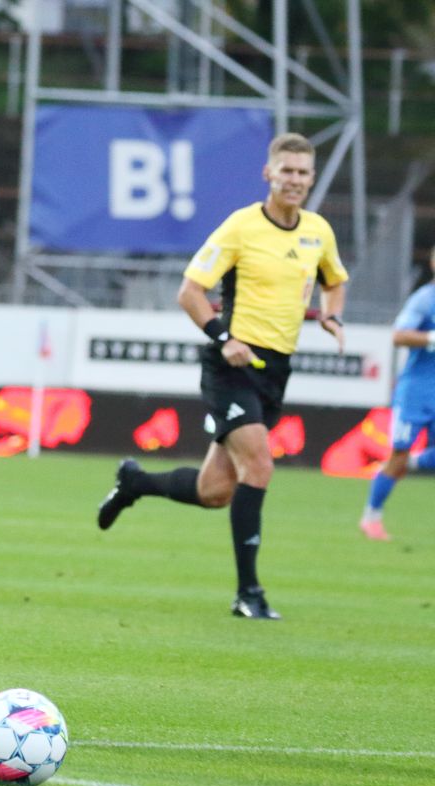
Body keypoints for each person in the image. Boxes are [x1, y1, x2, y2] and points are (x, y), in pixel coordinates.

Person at [95, 132, 349, 620]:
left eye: (302, 172)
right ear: (268, 174)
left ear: (312, 178)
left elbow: (335, 280)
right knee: (261, 466)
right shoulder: (241, 227)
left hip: (275, 370)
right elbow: (190, 292)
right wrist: (224, 338)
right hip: (231, 366)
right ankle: (248, 593)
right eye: (286, 170)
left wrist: (332, 315)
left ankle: (135, 482)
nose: (294, 180)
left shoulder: (318, 231)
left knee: (215, 492)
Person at [358, 249, 435, 541]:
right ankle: (371, 517)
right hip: (416, 392)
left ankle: (412, 462)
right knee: (398, 453)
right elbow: (399, 335)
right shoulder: (425, 299)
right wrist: (431, 337)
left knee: (406, 459)